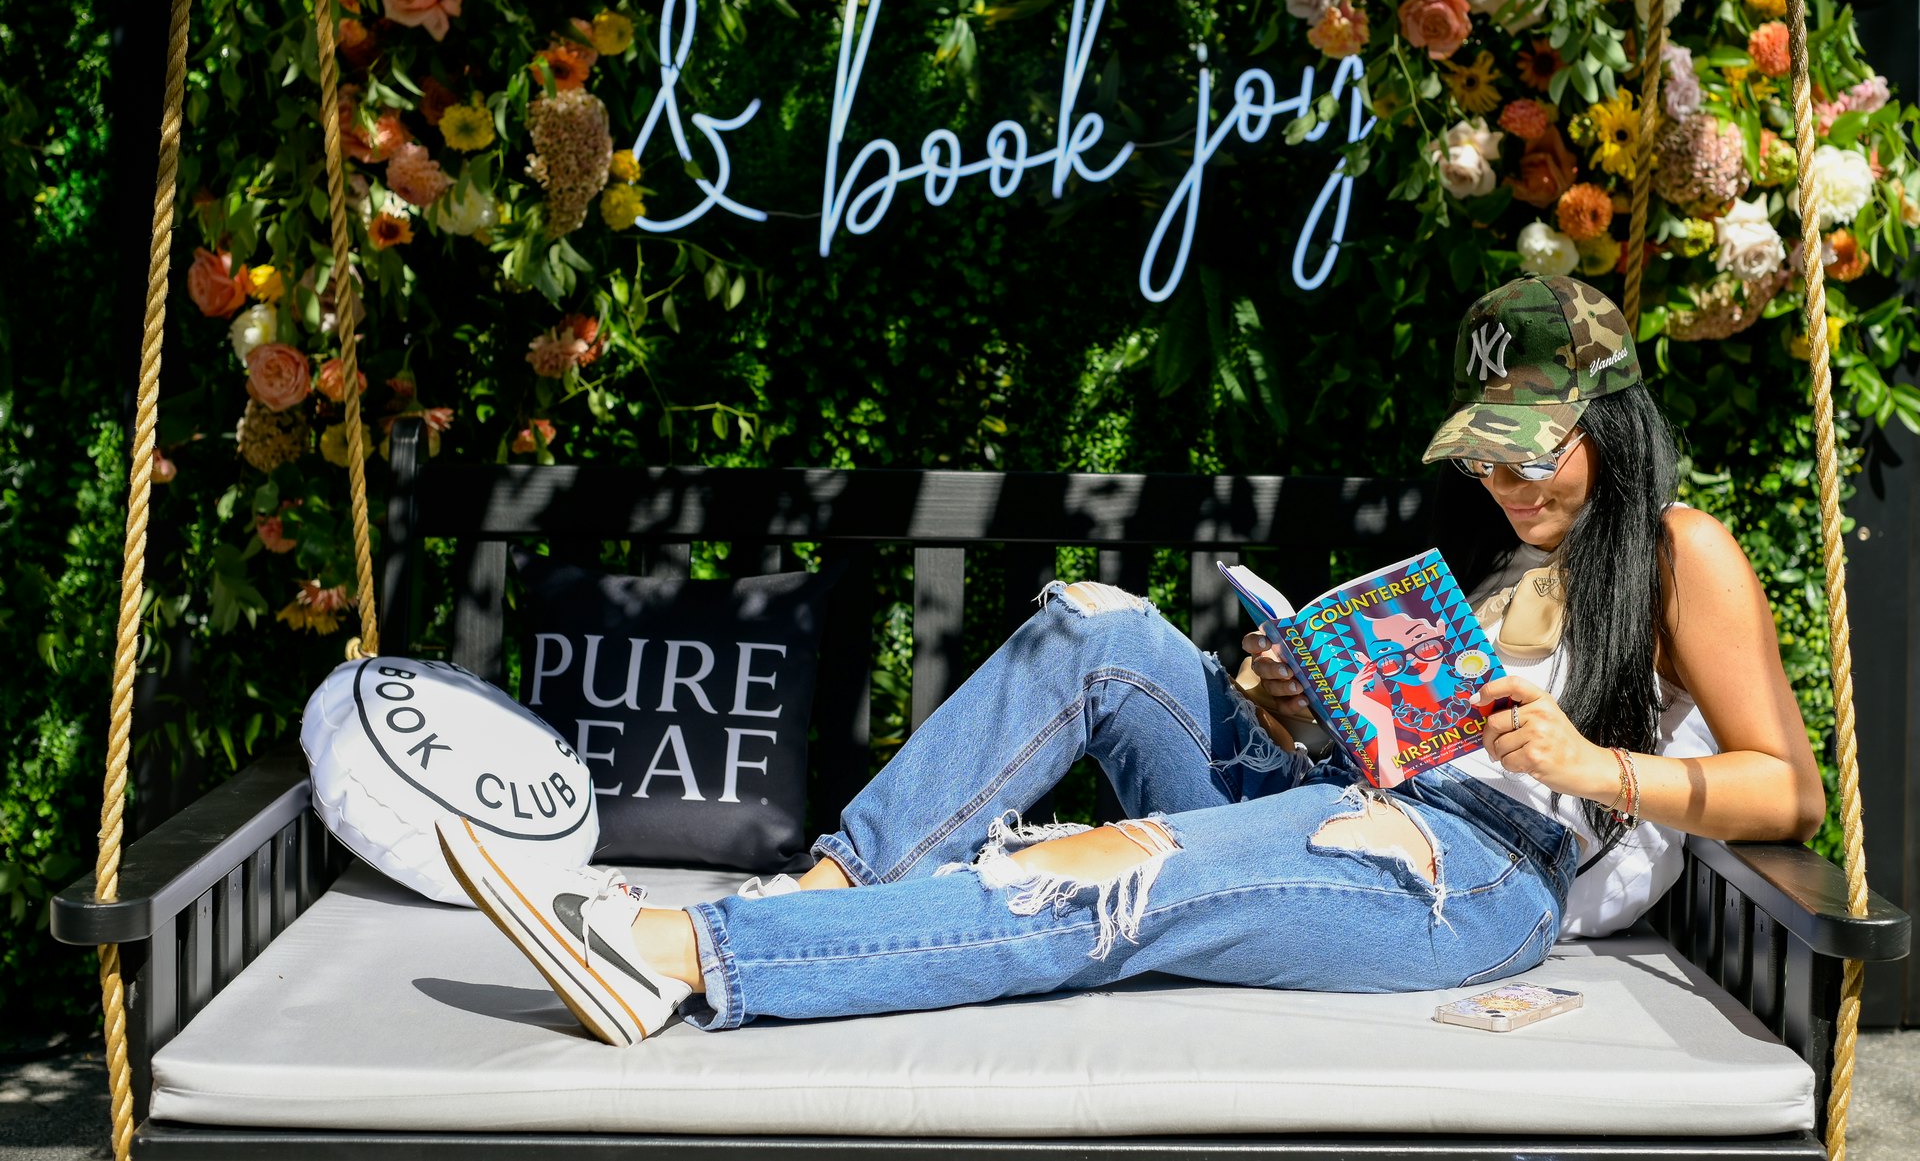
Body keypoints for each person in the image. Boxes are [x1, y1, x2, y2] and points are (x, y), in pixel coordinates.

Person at [437, 274, 1826, 1047]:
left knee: (1111, 870)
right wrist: (1302, 704)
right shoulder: (1512, 557)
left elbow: (1789, 789)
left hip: (1474, 878)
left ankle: (689, 952)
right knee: (1095, 623)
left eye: (1535, 452)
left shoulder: (1681, 553)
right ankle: (818, 890)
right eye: (1489, 454)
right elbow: (1405, 738)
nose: (1507, 481)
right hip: (1356, 801)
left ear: (1612, 422)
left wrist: (1593, 766)